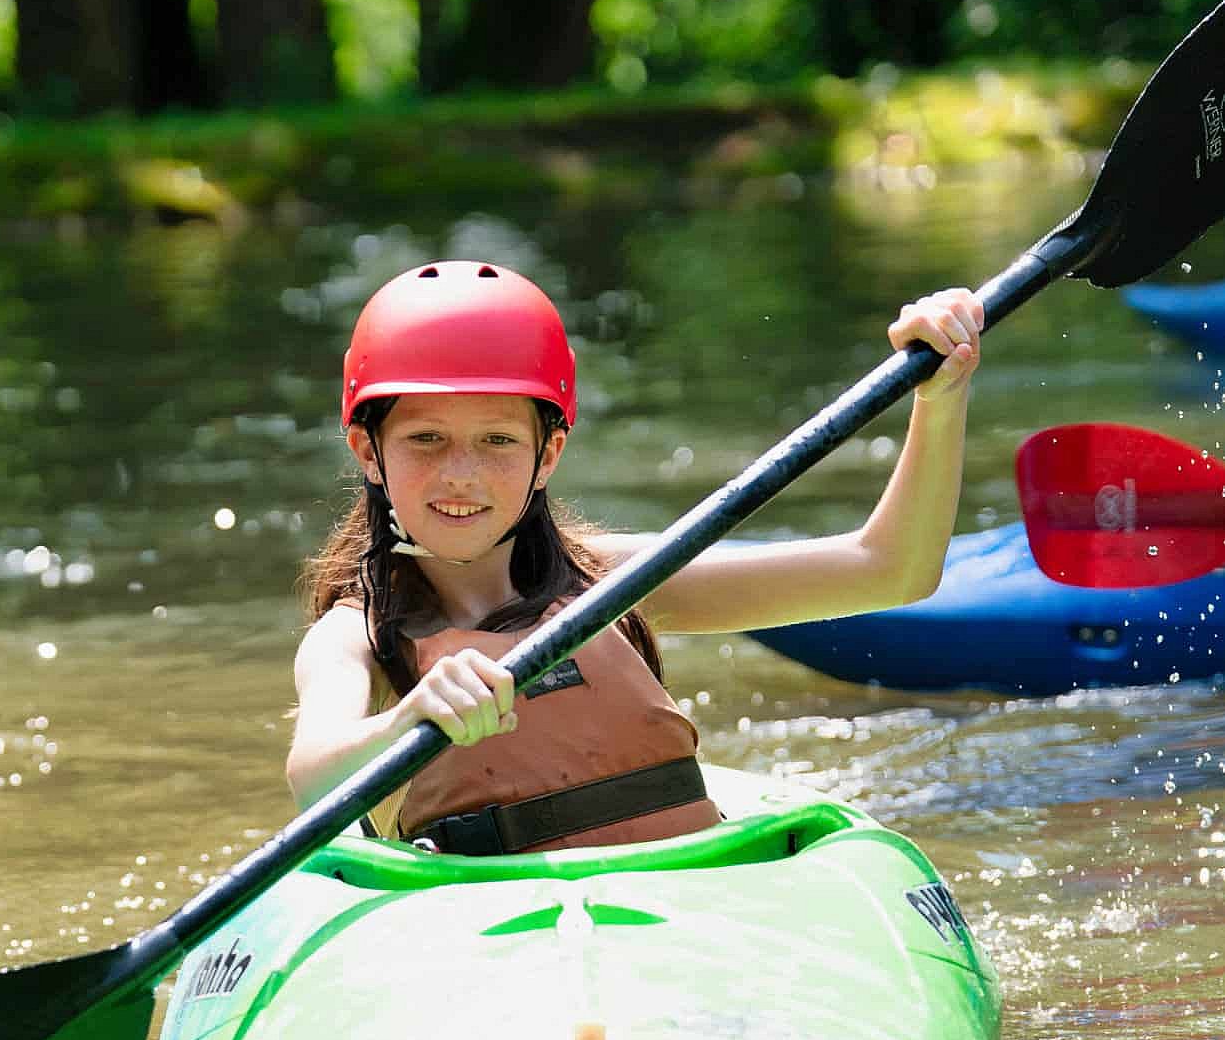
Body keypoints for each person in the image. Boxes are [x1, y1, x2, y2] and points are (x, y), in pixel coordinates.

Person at [287, 259, 983, 855]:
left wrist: (940, 397)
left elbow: (889, 569)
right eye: (427, 440)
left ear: (547, 454)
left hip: (677, 902)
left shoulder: (614, 583)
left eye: (497, 440)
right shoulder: (359, 634)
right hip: (496, 936)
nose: (461, 474)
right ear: (368, 453)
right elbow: (313, 776)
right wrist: (405, 721)